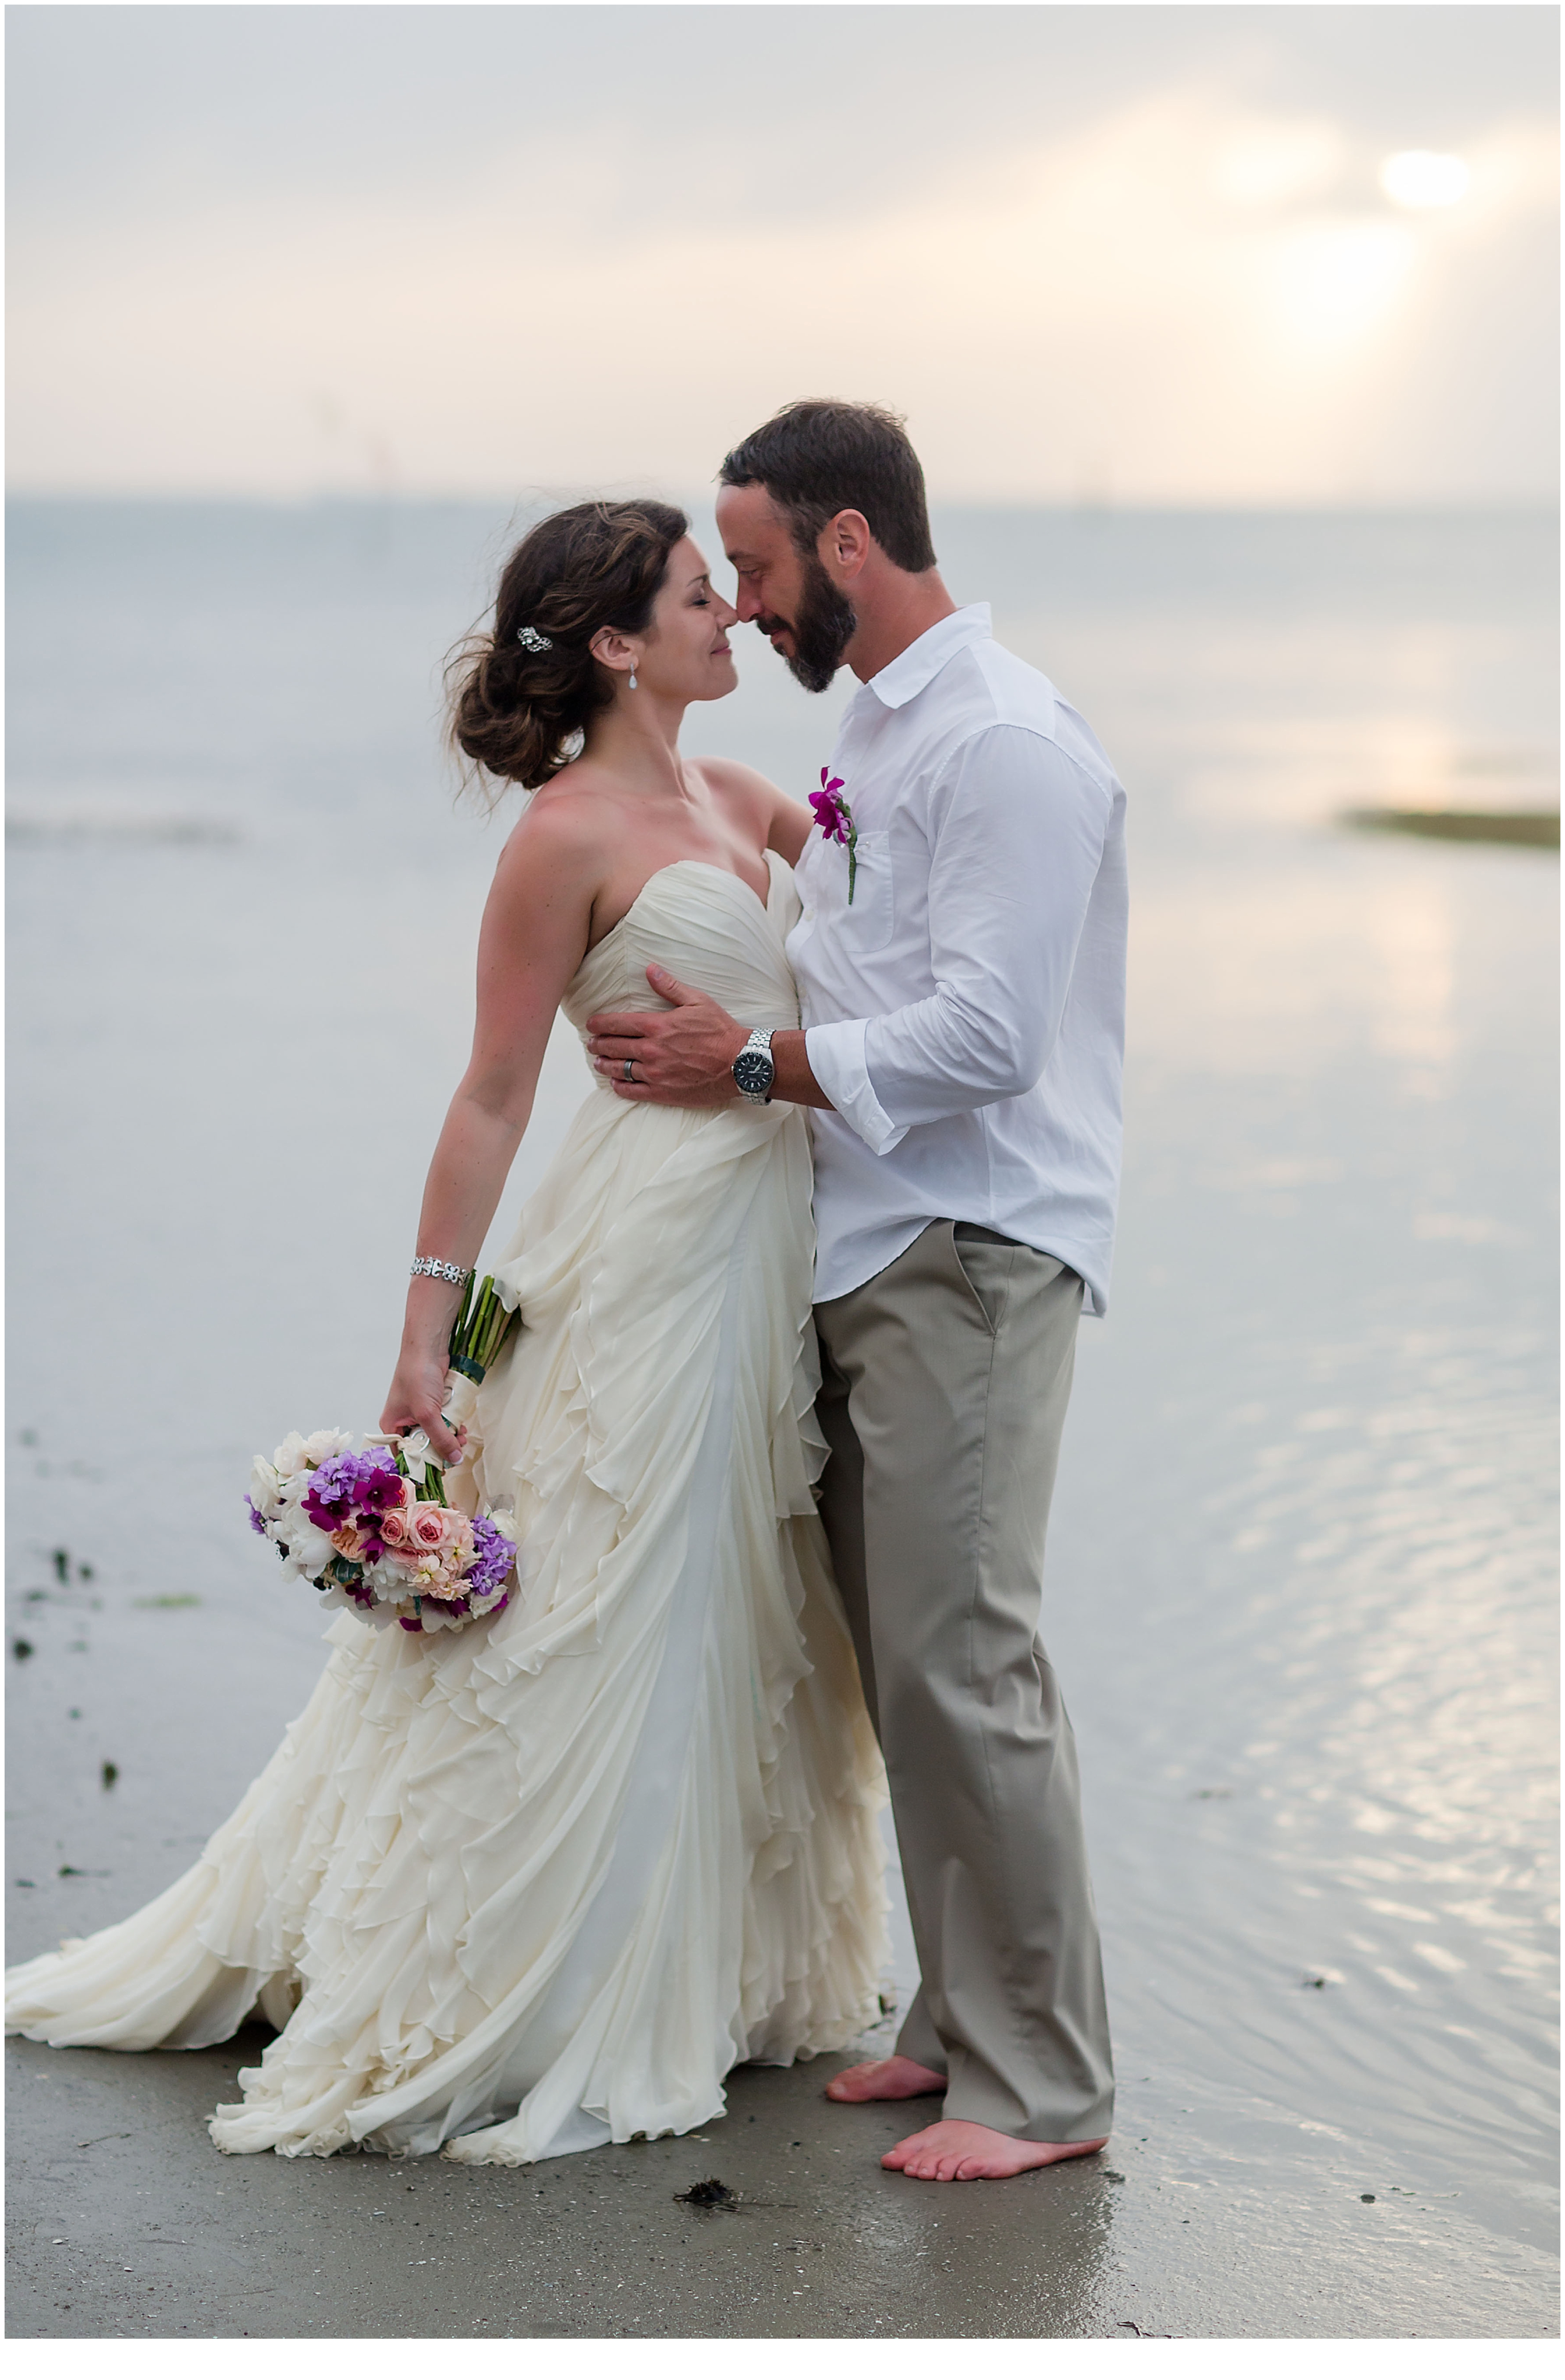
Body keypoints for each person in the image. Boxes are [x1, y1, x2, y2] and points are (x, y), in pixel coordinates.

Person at [5, 498, 890, 2164]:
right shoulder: (562, 837)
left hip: (764, 1246)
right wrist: (426, 1343)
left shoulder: (743, 795)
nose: (735, 621)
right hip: (639, 1254)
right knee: (613, 1593)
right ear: (619, 642)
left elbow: (881, 900)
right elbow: (491, 1096)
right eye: (705, 598)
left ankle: (708, 1951)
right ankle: (553, 1969)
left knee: (741, 1597)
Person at [585, 400, 1127, 2184]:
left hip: (971, 1244)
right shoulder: (887, 740)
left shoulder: (1006, 744)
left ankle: (1043, 2085)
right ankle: (957, 2020)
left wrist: (752, 1065)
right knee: (899, 1667)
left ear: (842, 544)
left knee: (969, 1661)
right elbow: (868, 941)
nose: (736, 608)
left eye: (749, 567)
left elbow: (987, 1036)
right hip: (867, 1238)